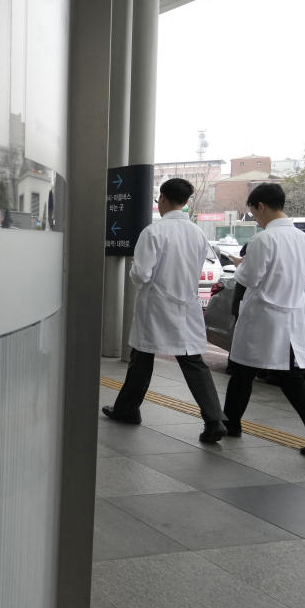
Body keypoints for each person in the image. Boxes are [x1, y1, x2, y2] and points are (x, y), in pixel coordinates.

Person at [102, 178, 228, 443]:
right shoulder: (197, 233)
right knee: (193, 362)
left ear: (163, 199)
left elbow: (142, 275)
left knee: (142, 358)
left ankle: (127, 409)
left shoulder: (154, 232)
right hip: (186, 306)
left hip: (157, 306)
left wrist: (134, 267)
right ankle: (214, 419)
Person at [222, 183, 305, 455]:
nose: (255, 218)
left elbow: (250, 278)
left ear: (261, 206)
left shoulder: (264, 240)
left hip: (263, 316)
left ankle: (233, 424)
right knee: (284, 374)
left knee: (244, 370)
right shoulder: (303, 239)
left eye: (253, 211)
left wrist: (240, 266)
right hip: (291, 315)